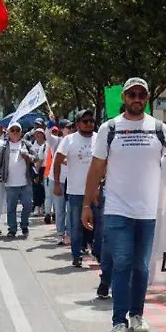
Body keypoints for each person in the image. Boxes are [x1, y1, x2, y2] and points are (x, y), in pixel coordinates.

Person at [84, 78, 166, 332]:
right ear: (124, 97)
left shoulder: (159, 129)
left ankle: (137, 315)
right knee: (122, 263)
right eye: (132, 94)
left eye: (142, 94)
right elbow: (97, 167)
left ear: (147, 98)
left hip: (149, 211)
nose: (137, 98)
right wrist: (87, 204)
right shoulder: (109, 129)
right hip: (117, 209)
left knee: (141, 266)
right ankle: (118, 322)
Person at [56, 110, 110, 298]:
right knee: (76, 225)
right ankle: (77, 254)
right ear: (78, 123)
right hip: (76, 191)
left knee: (100, 224)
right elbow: (57, 160)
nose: (88, 124)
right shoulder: (69, 140)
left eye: (91, 121)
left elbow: (106, 162)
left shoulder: (100, 138)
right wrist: (56, 182)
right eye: (85, 121)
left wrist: (102, 181)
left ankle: (98, 251)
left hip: (97, 191)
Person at [0, 122, 37, 239]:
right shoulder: (4, 146)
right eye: (13, 130)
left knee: (28, 205)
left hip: (25, 181)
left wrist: (28, 157)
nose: (15, 132)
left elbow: (36, 157)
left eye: (18, 130)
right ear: (8, 132)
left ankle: (24, 225)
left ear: (21, 132)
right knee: (11, 207)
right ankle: (12, 229)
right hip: (10, 183)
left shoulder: (26, 144)